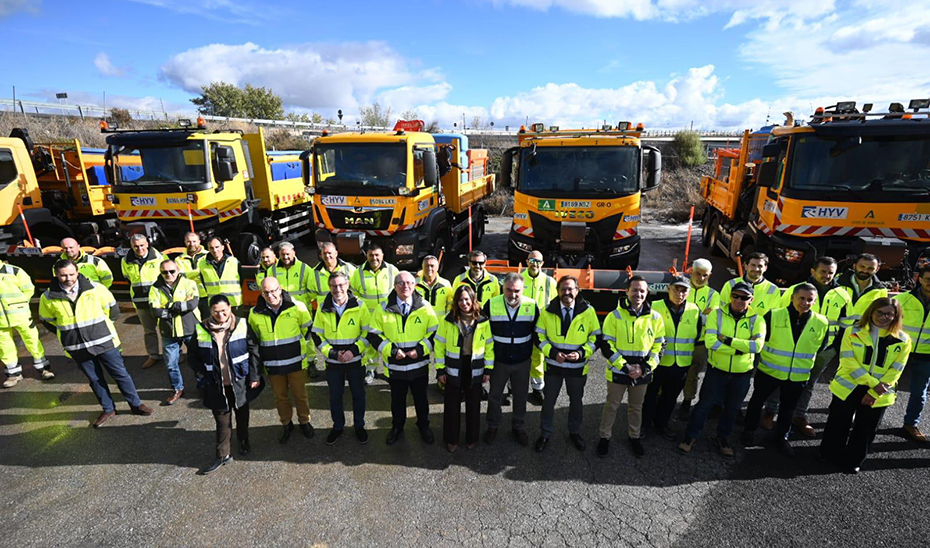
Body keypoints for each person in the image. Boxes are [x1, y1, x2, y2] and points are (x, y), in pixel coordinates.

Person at [39, 260, 154, 427]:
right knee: (95, 379)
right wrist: (69, 335)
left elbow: (113, 310)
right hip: (77, 347)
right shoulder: (48, 297)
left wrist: (99, 329)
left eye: (71, 274)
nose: (68, 278)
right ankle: (108, 409)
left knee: (120, 375)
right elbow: (48, 321)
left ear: (77, 272)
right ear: (56, 275)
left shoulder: (95, 288)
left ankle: (136, 405)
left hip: (104, 341)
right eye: (63, 275)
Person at [820, 297, 911, 473]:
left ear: (896, 316)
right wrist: (873, 384)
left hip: (880, 392)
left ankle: (853, 460)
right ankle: (829, 453)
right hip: (849, 386)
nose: (884, 317)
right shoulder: (852, 331)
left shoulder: (903, 340)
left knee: (866, 428)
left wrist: (876, 391)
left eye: (890, 314)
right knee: (838, 423)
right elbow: (847, 360)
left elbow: (896, 369)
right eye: (880, 312)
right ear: (871, 312)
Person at [761, 256, 850, 436]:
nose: (826, 275)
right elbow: (780, 314)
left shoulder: (842, 295)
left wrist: (836, 347)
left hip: (824, 349)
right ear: (813, 271)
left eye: (830, 272)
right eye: (822, 271)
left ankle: (799, 416)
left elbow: (846, 323)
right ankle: (770, 412)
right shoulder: (796, 289)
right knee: (781, 379)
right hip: (791, 345)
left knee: (808, 384)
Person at [679, 281, 765, 458]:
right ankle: (690, 436)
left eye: (744, 297)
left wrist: (726, 340)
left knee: (732, 408)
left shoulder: (758, 319)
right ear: (730, 296)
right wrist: (741, 348)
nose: (739, 300)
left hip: (742, 373)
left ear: (751, 299)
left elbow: (756, 346)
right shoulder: (716, 314)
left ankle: (723, 438)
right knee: (704, 405)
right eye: (735, 296)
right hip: (717, 370)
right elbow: (711, 343)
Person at [742, 283, 829, 455]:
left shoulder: (821, 322)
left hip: (797, 376)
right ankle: (748, 431)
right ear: (792, 298)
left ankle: (782, 437)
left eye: (810, 300)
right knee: (756, 401)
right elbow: (761, 340)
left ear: (815, 301)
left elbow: (821, 346)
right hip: (769, 371)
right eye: (801, 298)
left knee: (788, 409)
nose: (805, 302)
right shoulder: (774, 315)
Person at [190, 295, 263, 475]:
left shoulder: (242, 325)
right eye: (216, 311)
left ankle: (243, 440)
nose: (221, 315)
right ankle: (222, 455)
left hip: (240, 381)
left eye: (224, 310)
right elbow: (193, 357)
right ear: (210, 311)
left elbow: (254, 351)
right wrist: (202, 376)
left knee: (242, 412)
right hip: (215, 384)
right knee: (222, 420)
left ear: (230, 308)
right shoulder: (200, 329)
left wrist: (255, 375)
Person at [367, 271, 439, 446]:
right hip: (395, 365)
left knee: (421, 399)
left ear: (414, 285)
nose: (405, 286)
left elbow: (435, 333)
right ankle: (397, 427)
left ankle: (423, 426)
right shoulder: (382, 307)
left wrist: (420, 350)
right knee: (397, 401)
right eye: (400, 283)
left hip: (418, 364)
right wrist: (392, 351)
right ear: (394, 286)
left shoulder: (424, 306)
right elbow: (373, 335)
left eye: (409, 283)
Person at [597, 275, 665, 458]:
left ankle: (634, 437)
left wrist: (645, 368)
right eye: (634, 290)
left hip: (642, 373)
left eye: (642, 290)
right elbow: (606, 345)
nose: (638, 294)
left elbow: (659, 346)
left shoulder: (656, 317)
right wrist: (626, 367)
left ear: (647, 293)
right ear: (626, 291)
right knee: (612, 406)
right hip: (619, 371)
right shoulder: (614, 316)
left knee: (636, 407)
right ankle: (605, 437)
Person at [535, 275, 600, 452]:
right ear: (558, 291)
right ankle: (545, 433)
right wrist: (553, 353)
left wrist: (581, 353)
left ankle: (575, 432)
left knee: (576, 402)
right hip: (553, 366)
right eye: (563, 289)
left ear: (577, 290)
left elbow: (596, 337)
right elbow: (538, 336)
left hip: (577, 368)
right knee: (548, 402)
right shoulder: (547, 310)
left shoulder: (588, 311)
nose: (567, 292)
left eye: (571, 289)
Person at [248, 276, 315, 443]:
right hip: (272, 365)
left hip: (295, 362)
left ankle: (305, 421)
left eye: (273, 291)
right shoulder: (254, 313)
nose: (270, 295)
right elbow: (254, 339)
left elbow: (307, 328)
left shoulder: (297, 307)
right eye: (266, 292)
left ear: (280, 289)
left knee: (300, 395)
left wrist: (300, 348)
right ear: (261, 293)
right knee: (280, 397)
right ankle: (286, 423)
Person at [310, 272, 371, 445]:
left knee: (358, 395)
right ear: (329, 287)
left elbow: (367, 333)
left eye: (341, 285)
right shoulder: (322, 307)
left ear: (348, 284)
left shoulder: (360, 306)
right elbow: (317, 335)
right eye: (334, 286)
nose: (338, 289)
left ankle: (359, 426)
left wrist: (353, 351)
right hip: (333, 362)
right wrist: (333, 353)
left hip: (355, 361)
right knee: (335, 396)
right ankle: (338, 427)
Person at [642, 275, 703, 441]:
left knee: (670, 398)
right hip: (657, 363)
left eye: (684, 290)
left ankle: (662, 424)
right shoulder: (654, 307)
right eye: (676, 288)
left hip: (681, 364)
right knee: (650, 396)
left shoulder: (694, 310)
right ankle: (644, 425)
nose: (680, 293)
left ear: (689, 292)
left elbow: (697, 335)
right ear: (669, 289)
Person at [483, 273, 539, 446]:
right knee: (494, 396)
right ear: (502, 288)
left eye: (517, 291)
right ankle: (493, 426)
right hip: (499, 361)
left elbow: (539, 332)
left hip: (522, 361)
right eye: (509, 290)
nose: (513, 295)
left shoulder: (532, 305)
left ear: (523, 290)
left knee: (521, 396)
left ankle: (518, 427)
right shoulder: (491, 304)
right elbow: (483, 333)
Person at [436, 285, 493, 452]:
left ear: (473, 300)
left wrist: (488, 369)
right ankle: (451, 439)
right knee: (452, 405)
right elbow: (439, 345)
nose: (464, 303)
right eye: (460, 299)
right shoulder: (448, 321)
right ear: (456, 302)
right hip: (454, 367)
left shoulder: (483, 321)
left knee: (473, 405)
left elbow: (489, 346)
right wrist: (440, 370)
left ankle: (472, 438)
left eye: (467, 299)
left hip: (474, 367)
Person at [148, 259, 200, 405]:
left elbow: (192, 304)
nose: (168, 274)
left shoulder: (189, 283)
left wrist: (169, 305)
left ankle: (203, 385)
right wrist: (178, 309)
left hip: (189, 328)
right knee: (171, 364)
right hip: (169, 332)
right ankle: (177, 389)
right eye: (164, 272)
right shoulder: (155, 288)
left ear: (178, 270)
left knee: (198, 360)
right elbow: (155, 311)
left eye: (172, 271)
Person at [350, 243, 399, 384]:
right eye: (371, 255)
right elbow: (354, 293)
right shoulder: (358, 273)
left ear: (382, 255)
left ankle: (390, 372)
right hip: (369, 317)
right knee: (370, 345)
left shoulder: (392, 270)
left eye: (377, 255)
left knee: (389, 343)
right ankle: (371, 370)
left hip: (388, 316)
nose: (374, 258)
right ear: (366, 255)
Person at [269, 242, 318, 378]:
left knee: (306, 338)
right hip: (281, 311)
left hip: (301, 311)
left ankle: (311, 362)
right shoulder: (272, 270)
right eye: (283, 254)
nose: (285, 257)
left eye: (288, 254)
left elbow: (313, 290)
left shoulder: (305, 268)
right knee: (286, 337)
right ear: (279, 255)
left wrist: (301, 301)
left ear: (294, 253)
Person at [0, 258, 52, 388]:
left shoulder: (13, 271)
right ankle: (13, 374)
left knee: (32, 341)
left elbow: (28, 289)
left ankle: (43, 369)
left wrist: (20, 305)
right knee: (4, 347)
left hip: (20, 315)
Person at [679, 258, 719, 420]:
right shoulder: (681, 289)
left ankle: (687, 401)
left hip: (699, 344)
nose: (701, 278)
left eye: (705, 275)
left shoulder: (713, 295)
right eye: (698, 274)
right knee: (671, 373)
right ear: (690, 271)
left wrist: (687, 316)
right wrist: (702, 314)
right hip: (678, 342)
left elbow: (712, 319)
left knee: (693, 374)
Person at [894, 265, 930, 443]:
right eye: (928, 279)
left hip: (926, 355)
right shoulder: (902, 299)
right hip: (898, 351)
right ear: (920, 279)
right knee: (886, 387)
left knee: (919, 392)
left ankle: (910, 424)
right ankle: (871, 418)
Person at [120, 233, 163, 368]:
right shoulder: (126, 260)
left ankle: (175, 355)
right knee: (149, 331)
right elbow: (128, 278)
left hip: (159, 301)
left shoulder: (159, 258)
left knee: (167, 330)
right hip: (140, 302)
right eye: (135, 246)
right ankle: (153, 355)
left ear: (147, 244)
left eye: (142, 245)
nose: (139, 249)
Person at [522, 250, 557, 406]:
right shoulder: (519, 279)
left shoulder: (550, 282)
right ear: (526, 261)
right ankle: (511, 389)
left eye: (538, 261)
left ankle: (537, 388)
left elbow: (555, 306)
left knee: (538, 358)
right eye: (531, 260)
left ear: (542, 264)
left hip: (541, 327)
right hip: (521, 325)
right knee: (517, 358)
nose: (534, 264)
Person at [836, 253, 888, 328]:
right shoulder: (837, 284)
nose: (865, 271)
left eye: (870, 268)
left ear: (877, 269)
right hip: (836, 332)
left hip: (862, 334)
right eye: (862, 266)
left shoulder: (881, 291)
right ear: (854, 266)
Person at [198, 236, 243, 317]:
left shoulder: (234, 262)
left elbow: (242, 280)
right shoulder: (202, 264)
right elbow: (204, 283)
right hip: (215, 305)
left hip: (234, 304)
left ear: (222, 247)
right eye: (211, 248)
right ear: (208, 249)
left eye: (217, 247)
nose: (215, 250)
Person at [309, 241, 357, 309]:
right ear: (321, 255)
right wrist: (318, 310)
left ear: (336, 253)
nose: (327, 256)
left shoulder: (349, 268)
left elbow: (357, 290)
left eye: (329, 253)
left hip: (347, 309)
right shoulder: (313, 273)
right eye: (324, 253)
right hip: (325, 311)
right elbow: (311, 296)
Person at [175, 232, 208, 316]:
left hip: (206, 295)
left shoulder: (208, 255)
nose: (192, 244)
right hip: (189, 296)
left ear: (199, 241)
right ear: (185, 242)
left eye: (194, 241)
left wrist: (188, 274)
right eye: (189, 241)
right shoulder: (178, 259)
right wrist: (198, 272)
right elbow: (180, 276)